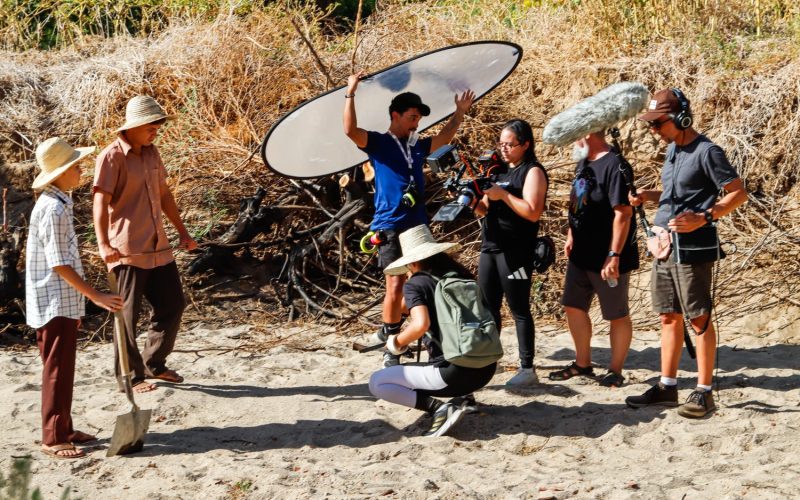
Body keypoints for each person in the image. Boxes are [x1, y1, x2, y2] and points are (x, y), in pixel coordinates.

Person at [625, 88, 747, 417]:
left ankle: (704, 391)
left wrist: (704, 217)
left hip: (693, 248)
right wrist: (649, 196)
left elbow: (738, 192)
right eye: (650, 124)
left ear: (681, 118)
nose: (653, 130)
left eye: (658, 123)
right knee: (668, 315)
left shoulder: (708, 151)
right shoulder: (673, 152)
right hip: (664, 245)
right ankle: (667, 387)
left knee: (699, 318)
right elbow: (678, 192)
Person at [343, 71, 475, 367]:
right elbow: (350, 130)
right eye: (412, 117)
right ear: (396, 115)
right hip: (389, 223)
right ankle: (392, 344)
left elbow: (444, 138)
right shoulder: (378, 143)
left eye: (418, 118)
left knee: (423, 282)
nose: (416, 123)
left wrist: (459, 112)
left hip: (417, 224)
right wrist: (351, 92)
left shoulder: (415, 145)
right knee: (394, 286)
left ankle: (421, 334)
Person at [26, 137, 124, 458]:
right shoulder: (53, 209)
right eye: (76, 166)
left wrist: (78, 304)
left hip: (61, 300)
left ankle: (64, 427)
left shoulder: (59, 203)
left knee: (64, 366)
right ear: (60, 173)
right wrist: (94, 295)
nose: (80, 170)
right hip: (53, 300)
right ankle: (53, 437)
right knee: (56, 368)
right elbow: (59, 264)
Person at [93, 95, 198, 394]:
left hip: (158, 246)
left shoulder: (153, 154)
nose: (156, 130)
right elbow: (100, 201)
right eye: (151, 125)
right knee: (126, 316)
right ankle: (130, 377)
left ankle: (155, 364)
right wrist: (103, 244)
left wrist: (183, 232)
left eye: (158, 125)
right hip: (126, 249)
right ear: (134, 126)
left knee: (173, 304)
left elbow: (164, 195)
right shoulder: (111, 156)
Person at [368, 224, 496, 437]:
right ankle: (466, 397)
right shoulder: (460, 275)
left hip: (453, 375)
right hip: (485, 369)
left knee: (378, 381)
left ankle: (438, 408)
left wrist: (395, 343)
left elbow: (420, 325)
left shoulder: (417, 284)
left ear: (413, 261)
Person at [547, 130, 638, 388]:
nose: (573, 137)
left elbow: (623, 213)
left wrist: (614, 255)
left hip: (607, 255)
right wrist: (571, 233)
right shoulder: (584, 161)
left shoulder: (616, 165)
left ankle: (615, 370)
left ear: (589, 132)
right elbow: (578, 202)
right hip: (581, 252)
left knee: (616, 314)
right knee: (573, 306)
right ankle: (582, 363)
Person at [471, 119, 548, 386]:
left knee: (519, 309)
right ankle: (489, 360)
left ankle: (527, 367)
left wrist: (503, 195)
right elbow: (483, 209)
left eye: (509, 144)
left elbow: (532, 211)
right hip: (490, 247)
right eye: (501, 144)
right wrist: (472, 199)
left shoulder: (533, 171)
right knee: (488, 308)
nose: (503, 149)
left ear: (525, 144)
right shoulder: (497, 171)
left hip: (516, 250)